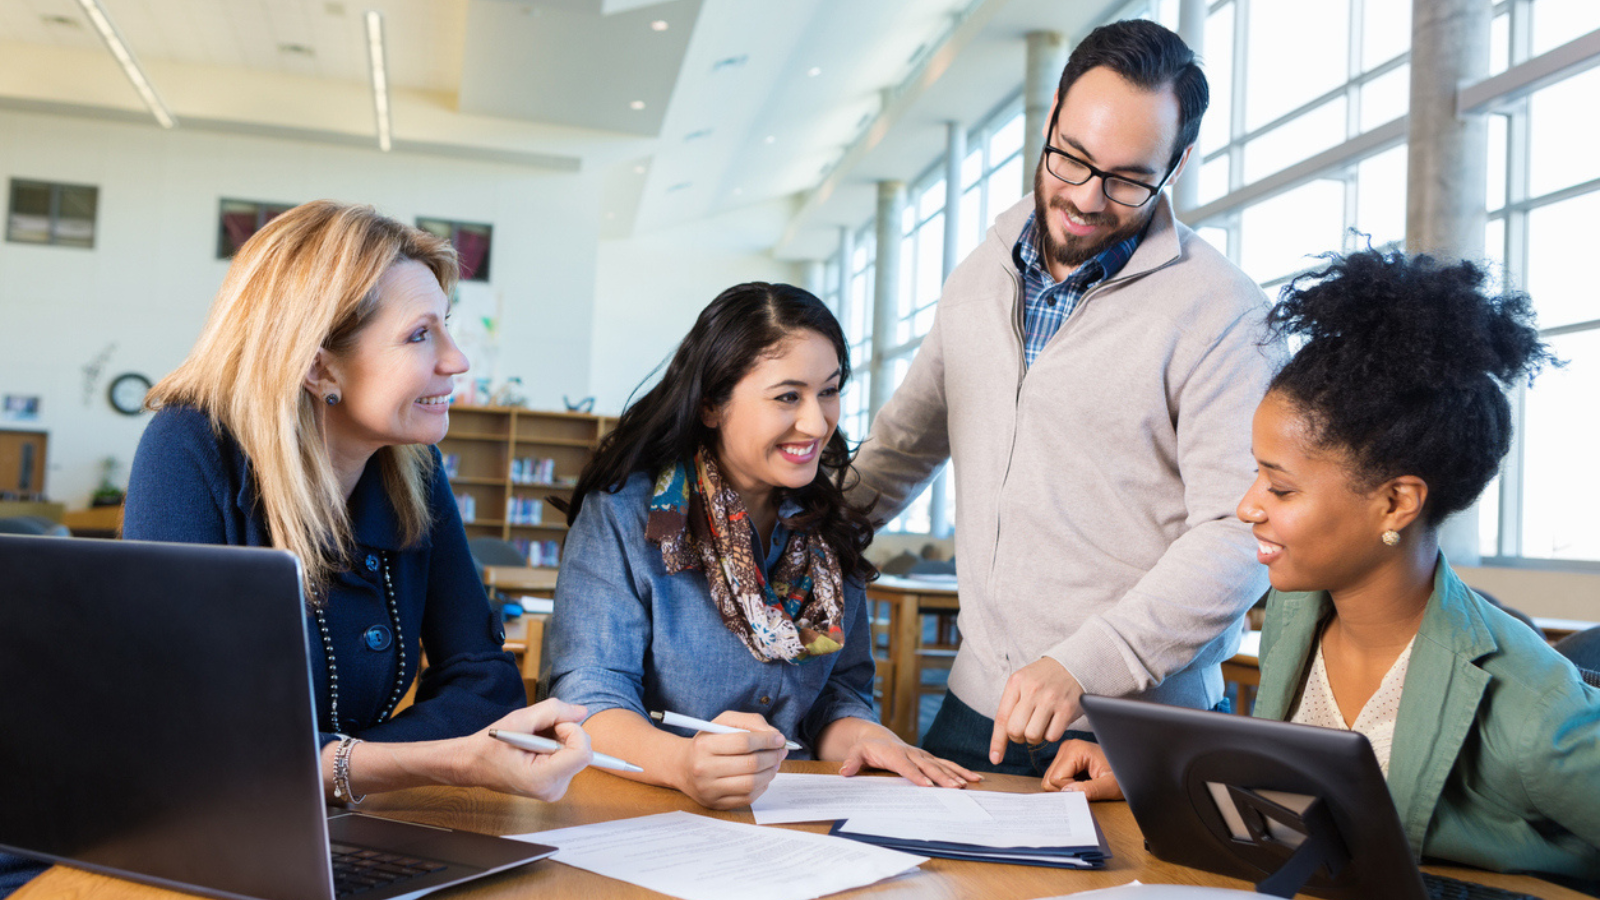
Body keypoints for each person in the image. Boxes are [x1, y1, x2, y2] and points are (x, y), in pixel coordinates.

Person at [1047, 248, 1600, 884]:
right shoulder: (1299, 608)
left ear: (1395, 503)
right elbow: (1315, 792)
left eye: (1280, 489)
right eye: (1256, 473)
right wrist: (1163, 777)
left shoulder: (1532, 715)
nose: (1247, 506)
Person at [849, 18, 1277, 779]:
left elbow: (1239, 533)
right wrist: (779, 531)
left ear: (1174, 167)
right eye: (1071, 158)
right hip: (976, 710)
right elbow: (903, 444)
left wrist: (1086, 663)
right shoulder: (982, 272)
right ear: (1051, 115)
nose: (1085, 197)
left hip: (1135, 729)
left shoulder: (1223, 313)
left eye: (1126, 178)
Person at [122, 200, 592, 805]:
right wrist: (432, 758)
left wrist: (344, 764)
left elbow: (486, 684)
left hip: (303, 825)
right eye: (421, 334)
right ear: (320, 369)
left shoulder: (411, 467)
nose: (457, 360)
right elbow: (195, 739)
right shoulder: (189, 446)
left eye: (446, 327)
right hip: (133, 828)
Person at [546, 282, 980, 810]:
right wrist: (681, 764)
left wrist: (866, 737)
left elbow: (838, 696)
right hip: (648, 808)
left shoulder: (829, 524)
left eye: (829, 391)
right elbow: (588, 696)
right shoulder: (625, 514)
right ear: (711, 404)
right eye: (787, 397)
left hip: (793, 815)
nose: (817, 423)